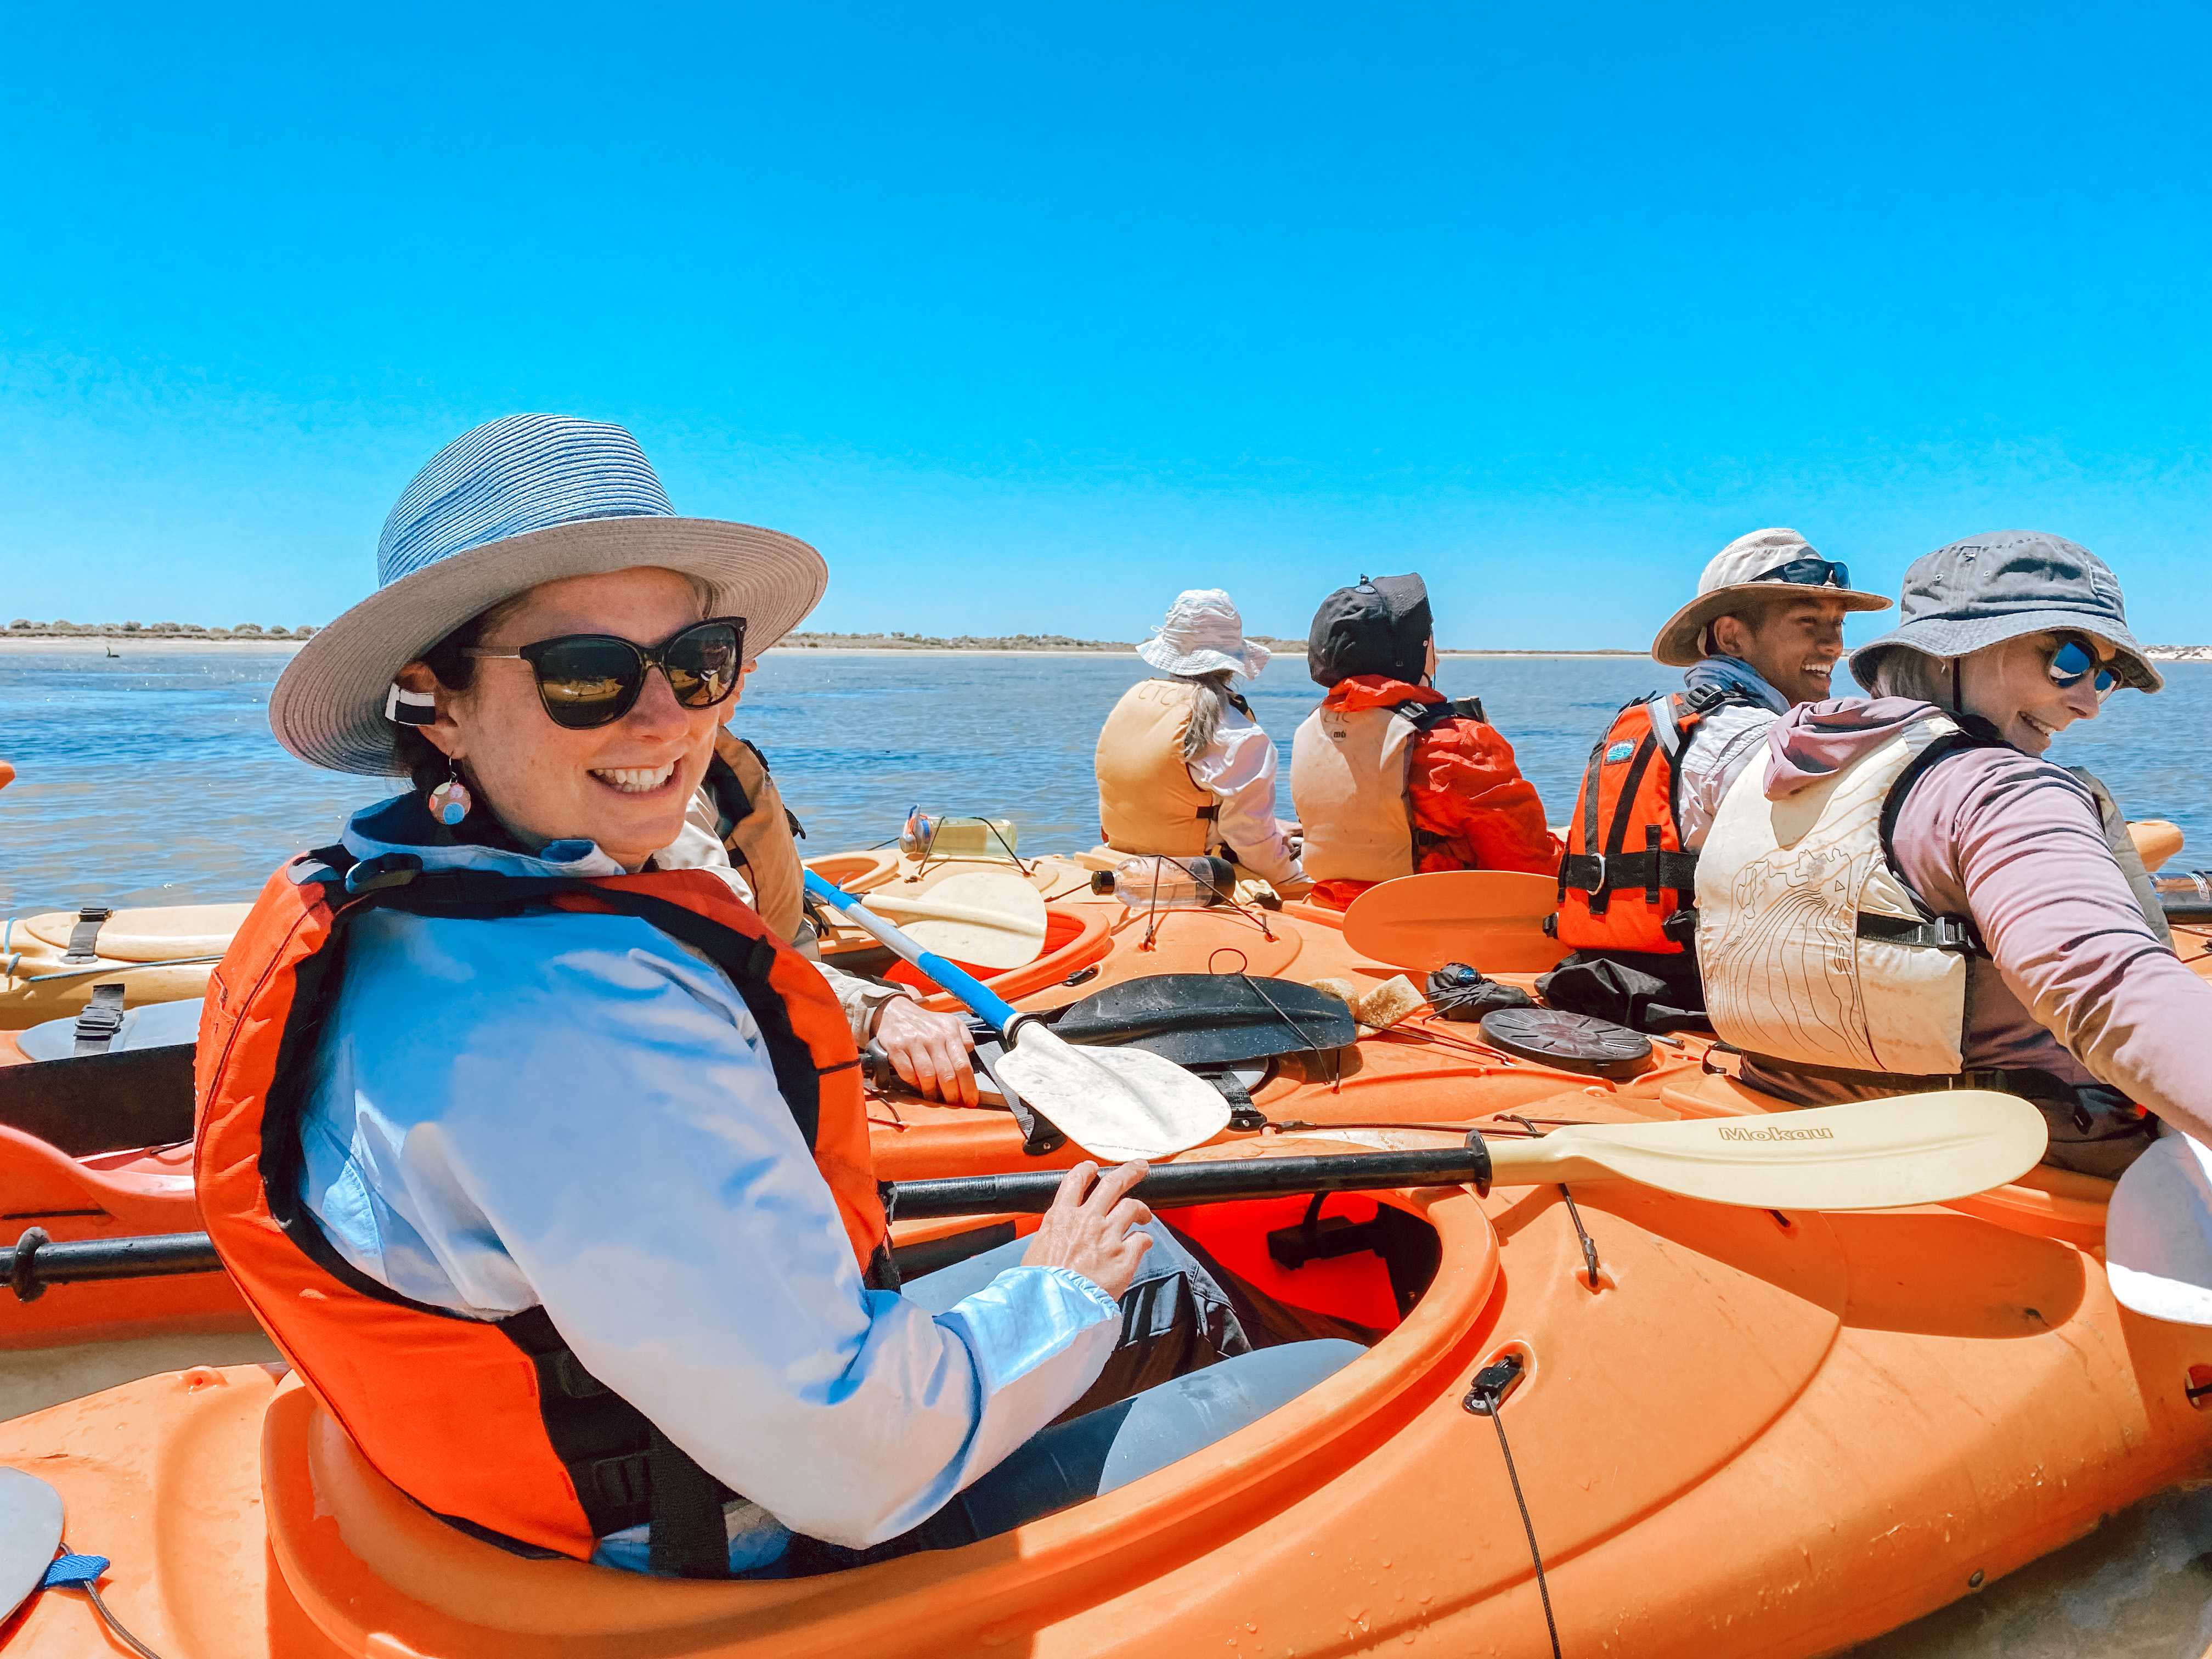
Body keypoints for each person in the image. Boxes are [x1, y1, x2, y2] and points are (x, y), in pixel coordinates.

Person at [198, 414, 1361, 1582]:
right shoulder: (579, 1028)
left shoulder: (414, 907)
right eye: (585, 675)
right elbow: (859, 1458)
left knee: (1119, 1261)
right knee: (1250, 1340)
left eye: (697, 661)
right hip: (718, 1526)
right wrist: (1062, 1290)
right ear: (429, 697)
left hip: (585, 1453)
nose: (666, 721)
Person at [1694, 529, 2212, 1175]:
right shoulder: (2005, 793)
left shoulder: (1779, 764)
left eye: (2104, 678)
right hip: (2027, 1155)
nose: (2087, 704)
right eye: (2070, 661)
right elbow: (2103, 984)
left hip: (1798, 1115)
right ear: (1953, 651)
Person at [1548, 529, 1891, 1016]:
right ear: (1732, 636)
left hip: (1612, 980)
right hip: (1704, 1000)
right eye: (1809, 622)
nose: (1833, 645)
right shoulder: (1755, 740)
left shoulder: (1656, 720)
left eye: (1837, 625)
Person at [1288, 573, 1559, 911]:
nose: (1438, 658)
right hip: (1430, 922)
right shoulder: (1459, 742)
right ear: (1408, 654)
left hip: (1334, 909)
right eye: (1431, 644)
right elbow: (1529, 868)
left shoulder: (1316, 726)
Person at [1091, 590, 1305, 892]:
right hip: (1196, 872)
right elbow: (1250, 840)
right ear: (1232, 663)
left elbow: (1167, 796)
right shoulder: (1236, 732)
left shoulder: (1132, 702)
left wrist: (1271, 825)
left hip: (1122, 860)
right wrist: (1292, 876)